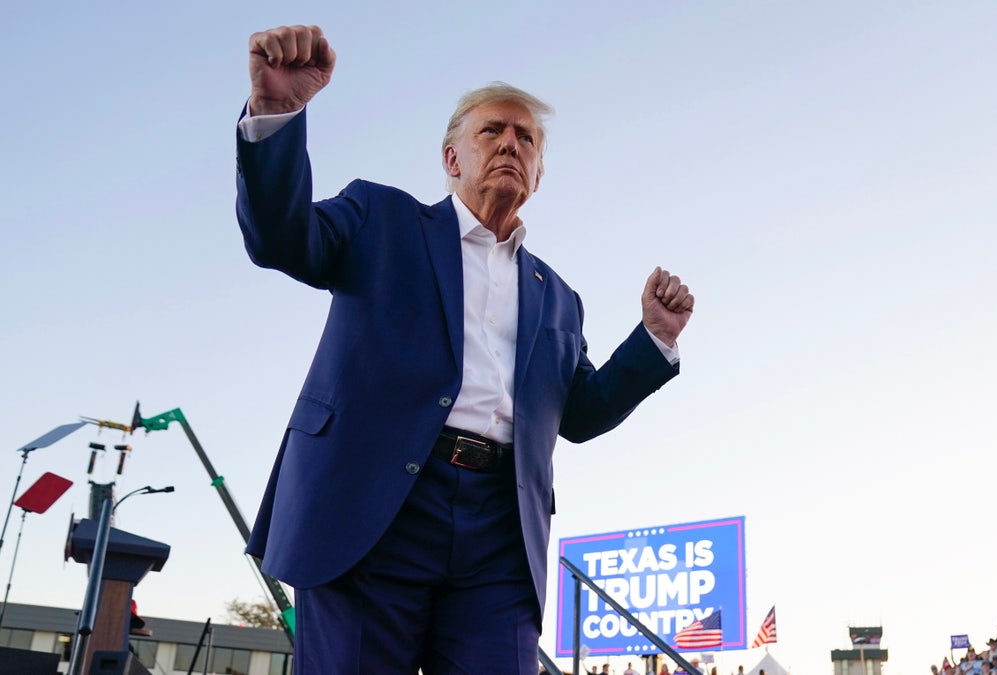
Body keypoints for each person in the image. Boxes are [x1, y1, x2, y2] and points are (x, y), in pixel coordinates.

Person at [236, 24, 694, 674]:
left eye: (526, 138)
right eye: (492, 131)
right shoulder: (379, 219)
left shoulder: (556, 297)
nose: (510, 142)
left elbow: (581, 413)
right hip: (371, 512)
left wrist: (654, 338)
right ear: (452, 159)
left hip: (500, 532)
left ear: (538, 172)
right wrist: (276, 117)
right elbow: (283, 239)